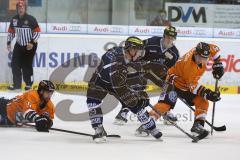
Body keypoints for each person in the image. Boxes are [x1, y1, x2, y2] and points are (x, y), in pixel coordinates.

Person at [86, 36, 165, 143]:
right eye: (138, 51)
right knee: (93, 101)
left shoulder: (128, 56)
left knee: (137, 106)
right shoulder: (115, 63)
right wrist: (136, 99)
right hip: (100, 81)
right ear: (131, 49)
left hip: (117, 81)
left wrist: (139, 93)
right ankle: (98, 128)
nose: (140, 55)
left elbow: (136, 76)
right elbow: (120, 88)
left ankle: (151, 127)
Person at [142, 42, 224, 138]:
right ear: (196, 54)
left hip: (187, 85)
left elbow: (216, 49)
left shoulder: (203, 49)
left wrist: (218, 63)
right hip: (173, 82)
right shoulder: (189, 66)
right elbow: (193, 87)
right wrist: (209, 93)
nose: (203, 60)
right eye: (201, 57)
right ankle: (147, 124)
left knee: (203, 101)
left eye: (206, 58)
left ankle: (198, 126)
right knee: (165, 104)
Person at [114, 26, 179, 125]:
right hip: (143, 68)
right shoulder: (152, 42)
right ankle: (125, 110)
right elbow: (136, 49)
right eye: (167, 37)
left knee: (170, 86)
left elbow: (170, 71)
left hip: (159, 72)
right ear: (164, 36)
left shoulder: (174, 53)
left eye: (172, 38)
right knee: (138, 83)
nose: (169, 39)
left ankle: (165, 109)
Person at [7, 0, 40, 91]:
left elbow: (37, 32)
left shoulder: (31, 19)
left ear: (25, 8)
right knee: (15, 64)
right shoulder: (14, 19)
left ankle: (29, 83)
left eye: (22, 7)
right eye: (19, 7)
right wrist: (9, 42)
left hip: (30, 45)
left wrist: (32, 43)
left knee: (26, 65)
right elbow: (11, 32)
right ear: (17, 8)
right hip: (19, 44)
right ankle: (17, 85)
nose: (20, 9)